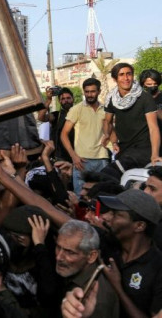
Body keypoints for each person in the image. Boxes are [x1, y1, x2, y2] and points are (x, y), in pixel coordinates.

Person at [98, 189, 162, 317]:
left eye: (116, 214)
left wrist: (118, 288)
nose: (106, 217)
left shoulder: (158, 268)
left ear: (139, 226)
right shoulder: (107, 245)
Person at [103, 63, 160, 176]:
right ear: (115, 79)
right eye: (122, 75)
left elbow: (153, 128)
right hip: (124, 150)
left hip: (143, 149)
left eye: (129, 74)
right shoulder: (111, 99)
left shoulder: (144, 97)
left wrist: (155, 154)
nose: (126, 78)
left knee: (107, 173)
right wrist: (111, 139)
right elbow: (107, 122)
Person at [54, 220, 118, 317]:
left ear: (92, 256)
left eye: (70, 252)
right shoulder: (74, 272)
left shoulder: (98, 300)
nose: (59, 257)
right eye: (58, 247)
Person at [62, 78, 109, 194]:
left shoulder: (106, 110)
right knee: (80, 198)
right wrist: (73, 156)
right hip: (82, 161)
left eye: (92, 91)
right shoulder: (76, 109)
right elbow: (63, 134)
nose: (89, 94)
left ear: (99, 91)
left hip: (102, 158)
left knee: (101, 197)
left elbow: (110, 132)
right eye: (86, 92)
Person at [39, 86, 76, 162]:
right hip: (60, 157)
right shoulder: (56, 115)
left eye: (68, 98)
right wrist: (49, 100)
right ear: (59, 101)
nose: (66, 100)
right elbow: (41, 117)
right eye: (63, 99)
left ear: (73, 99)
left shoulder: (79, 113)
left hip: (78, 155)